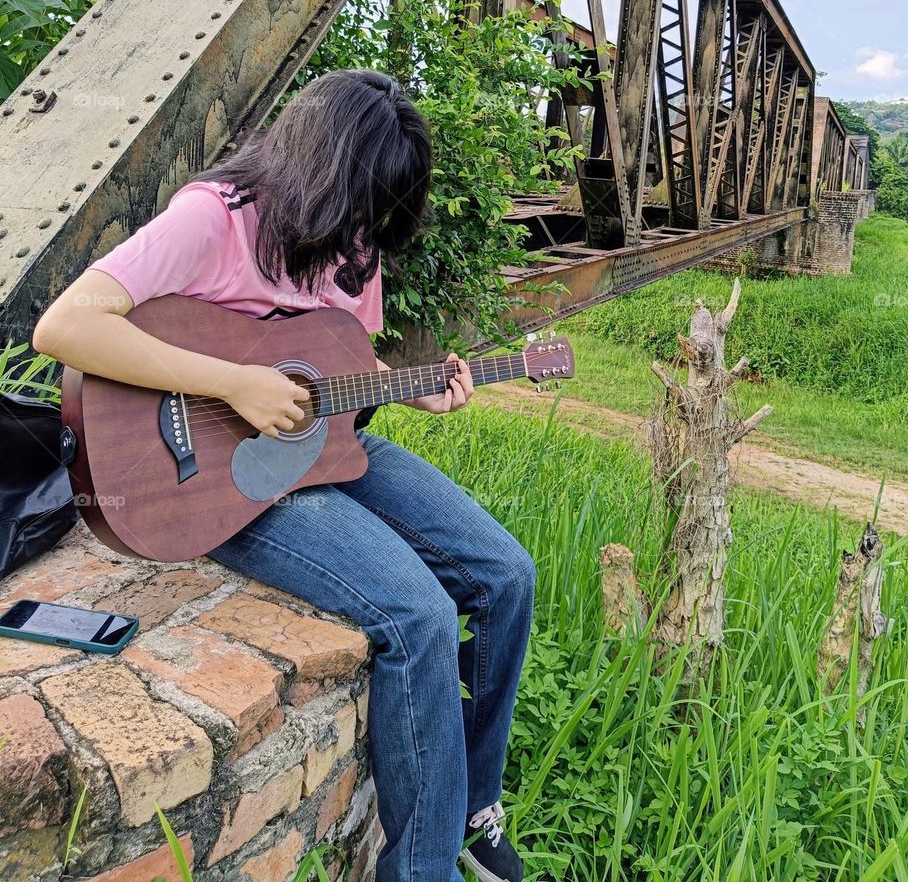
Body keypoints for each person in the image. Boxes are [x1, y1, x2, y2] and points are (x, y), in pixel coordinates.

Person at [33, 69, 534, 882]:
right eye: (361, 208)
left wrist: (416, 389)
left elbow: (337, 367)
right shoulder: (215, 217)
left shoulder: (356, 244)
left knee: (508, 574)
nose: (364, 236)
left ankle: (475, 809)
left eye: (378, 219)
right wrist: (230, 383)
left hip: (321, 448)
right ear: (321, 171)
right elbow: (65, 327)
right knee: (420, 617)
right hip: (219, 481)